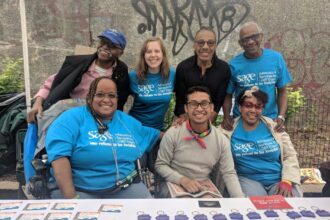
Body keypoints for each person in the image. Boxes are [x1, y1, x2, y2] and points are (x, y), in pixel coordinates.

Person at [45, 76, 161, 199]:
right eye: (100, 95)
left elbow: (158, 135)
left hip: (124, 186)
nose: (106, 100)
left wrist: (181, 126)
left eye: (112, 96)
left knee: (147, 213)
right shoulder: (69, 119)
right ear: (89, 97)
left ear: (117, 99)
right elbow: (59, 159)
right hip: (79, 189)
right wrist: (73, 199)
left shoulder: (127, 122)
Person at [155, 86, 244, 198]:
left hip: (204, 185)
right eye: (193, 104)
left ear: (211, 107)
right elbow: (160, 165)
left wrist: (240, 200)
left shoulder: (221, 139)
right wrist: (183, 180)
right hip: (174, 182)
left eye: (204, 103)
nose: (199, 108)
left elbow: (229, 173)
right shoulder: (173, 133)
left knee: (212, 211)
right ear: (186, 108)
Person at [27, 28, 129, 123]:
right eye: (103, 42)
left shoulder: (121, 72)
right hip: (70, 115)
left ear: (121, 53)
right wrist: (38, 103)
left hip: (101, 120)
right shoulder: (77, 64)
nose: (105, 47)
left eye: (112, 46)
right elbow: (51, 84)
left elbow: (120, 101)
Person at [219, 86, 302, 197]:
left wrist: (287, 181)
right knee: (254, 206)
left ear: (262, 109)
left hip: (279, 180)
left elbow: (290, 156)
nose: (253, 110)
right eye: (248, 106)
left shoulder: (274, 127)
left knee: (290, 204)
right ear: (239, 107)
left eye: (258, 107)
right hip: (247, 180)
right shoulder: (227, 131)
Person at [222, 22, 292, 132]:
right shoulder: (234, 65)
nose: (250, 42)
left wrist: (281, 116)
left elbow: (282, 91)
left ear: (261, 36)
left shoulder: (276, 59)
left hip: (270, 122)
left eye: (254, 37)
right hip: (242, 122)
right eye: (245, 39)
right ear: (240, 43)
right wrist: (226, 116)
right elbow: (227, 95)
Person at [129, 37, 175, 172]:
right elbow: (118, 104)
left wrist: (178, 120)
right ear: (144, 55)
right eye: (149, 52)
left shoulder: (172, 75)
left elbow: (184, 99)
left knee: (158, 169)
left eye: (157, 51)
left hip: (159, 131)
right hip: (137, 131)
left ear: (163, 54)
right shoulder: (133, 76)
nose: (153, 55)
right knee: (138, 168)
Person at [174, 26, 231, 124]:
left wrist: (202, 128)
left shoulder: (224, 69)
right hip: (184, 120)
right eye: (201, 42)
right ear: (194, 45)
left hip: (208, 122)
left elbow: (217, 104)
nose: (205, 47)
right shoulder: (183, 68)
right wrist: (188, 127)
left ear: (215, 46)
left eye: (210, 43)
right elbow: (180, 102)